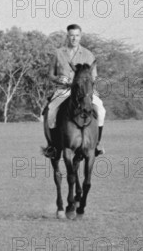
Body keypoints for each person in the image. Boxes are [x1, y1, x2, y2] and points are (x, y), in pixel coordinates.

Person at [43, 24, 106, 158]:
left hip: (84, 92)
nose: (74, 38)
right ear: (67, 36)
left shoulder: (89, 55)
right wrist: (59, 79)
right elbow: (50, 75)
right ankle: (52, 146)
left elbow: (94, 76)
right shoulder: (58, 53)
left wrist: (90, 88)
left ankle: (98, 144)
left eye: (77, 35)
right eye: (71, 35)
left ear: (80, 36)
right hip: (63, 90)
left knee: (101, 111)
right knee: (51, 112)